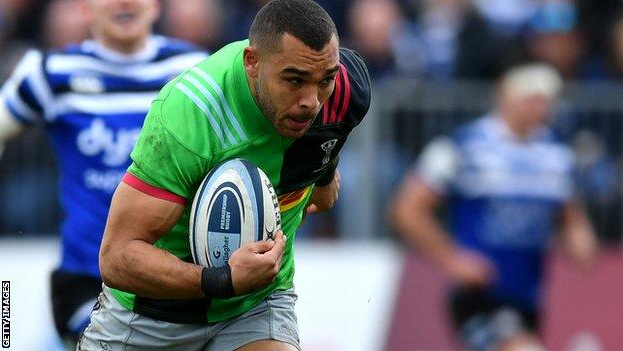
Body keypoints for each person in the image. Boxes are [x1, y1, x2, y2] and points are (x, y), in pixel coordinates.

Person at [78, 0, 371, 350]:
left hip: (255, 305)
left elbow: (333, 130)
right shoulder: (190, 113)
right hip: (150, 317)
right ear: (252, 63)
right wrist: (223, 280)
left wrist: (324, 175)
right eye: (294, 80)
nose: (311, 100)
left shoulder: (345, 89)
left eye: (324, 80)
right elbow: (117, 257)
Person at [0, 0, 206, 347]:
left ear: (156, 5)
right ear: (84, 8)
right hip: (85, 280)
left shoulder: (195, 70)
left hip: (173, 280)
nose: (124, 2)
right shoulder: (51, 73)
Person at [390, 63, 597, 351]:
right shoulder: (463, 146)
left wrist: (579, 237)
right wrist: (452, 259)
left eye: (546, 99)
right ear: (506, 97)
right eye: (532, 98)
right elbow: (408, 208)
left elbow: (569, 215)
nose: (540, 107)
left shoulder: (557, 155)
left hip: (529, 295)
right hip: (480, 295)